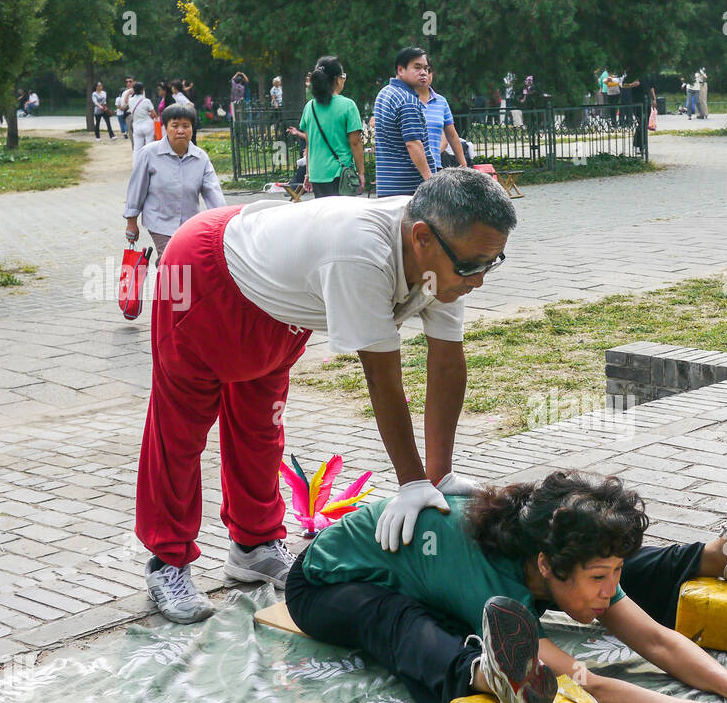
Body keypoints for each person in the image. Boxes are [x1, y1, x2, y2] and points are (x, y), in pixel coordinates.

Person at [135, 168, 516, 624]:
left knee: (261, 427)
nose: (479, 280)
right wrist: (411, 484)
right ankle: (167, 561)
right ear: (422, 239)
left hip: (276, 301)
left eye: (492, 263)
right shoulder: (361, 257)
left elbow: (447, 362)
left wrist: (439, 475)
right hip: (205, 276)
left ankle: (253, 546)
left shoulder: (445, 257)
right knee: (180, 430)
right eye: (473, 266)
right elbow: (382, 380)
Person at [285, 467, 727, 703]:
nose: (610, 590)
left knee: (602, 576)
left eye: (614, 575)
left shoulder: (554, 550)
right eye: (601, 578)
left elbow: (657, 641)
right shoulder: (487, 583)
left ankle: (718, 556)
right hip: (326, 585)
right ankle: (484, 672)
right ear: (544, 564)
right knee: (406, 624)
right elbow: (584, 681)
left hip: (449, 575)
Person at [122, 102, 225, 263]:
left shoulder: (201, 158)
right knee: (172, 261)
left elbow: (213, 191)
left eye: (186, 126)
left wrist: (223, 221)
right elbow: (137, 189)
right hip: (159, 221)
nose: (180, 131)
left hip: (189, 226)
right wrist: (131, 221)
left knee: (188, 264)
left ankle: (169, 284)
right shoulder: (149, 154)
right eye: (175, 125)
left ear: (192, 128)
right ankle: (169, 279)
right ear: (166, 128)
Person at [297, 55, 366, 198]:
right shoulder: (348, 105)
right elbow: (355, 142)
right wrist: (361, 173)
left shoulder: (309, 107)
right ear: (337, 79)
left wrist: (308, 173)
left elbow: (310, 144)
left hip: (317, 174)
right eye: (343, 76)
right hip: (339, 175)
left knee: (324, 218)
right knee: (343, 218)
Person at [373, 47, 438, 196]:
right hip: (409, 190)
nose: (424, 73)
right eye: (417, 67)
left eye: (426, 69)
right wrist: (430, 182)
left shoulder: (385, 93)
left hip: (387, 187)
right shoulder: (407, 101)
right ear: (401, 70)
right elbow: (413, 143)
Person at [414, 62, 467, 170]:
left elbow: (452, 135)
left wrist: (464, 166)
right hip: (410, 167)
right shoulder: (405, 100)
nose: (425, 74)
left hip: (435, 166)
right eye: (419, 70)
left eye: (428, 70)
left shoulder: (441, 101)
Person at [126, 81, 158, 154]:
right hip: (148, 126)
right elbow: (154, 114)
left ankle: (137, 164)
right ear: (142, 90)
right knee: (149, 147)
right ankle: (149, 164)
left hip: (136, 127)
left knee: (137, 149)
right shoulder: (146, 101)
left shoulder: (130, 101)